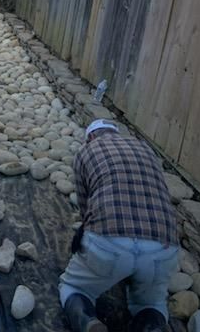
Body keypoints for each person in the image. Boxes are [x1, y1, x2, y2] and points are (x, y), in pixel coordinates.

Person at [59, 119, 179, 332]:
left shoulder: (86, 151)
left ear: (90, 137)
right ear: (116, 132)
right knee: (152, 304)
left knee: (73, 287)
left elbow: (86, 209)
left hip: (109, 242)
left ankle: (88, 323)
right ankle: (152, 327)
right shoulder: (146, 149)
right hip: (163, 245)